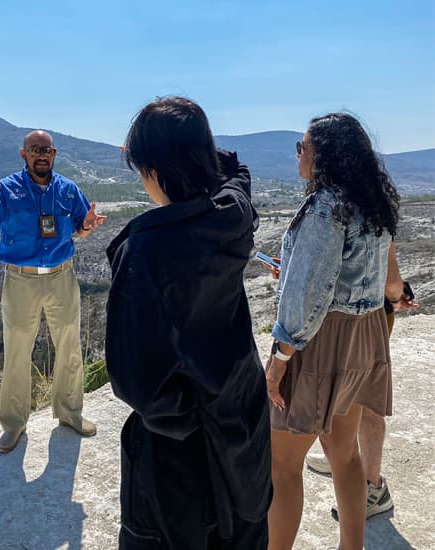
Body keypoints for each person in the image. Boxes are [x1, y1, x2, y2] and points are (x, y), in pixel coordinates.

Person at [105, 96, 272, 549]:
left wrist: (183, 419)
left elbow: (132, 379)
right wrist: (191, 143)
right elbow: (238, 174)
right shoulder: (232, 216)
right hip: (243, 419)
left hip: (179, 455)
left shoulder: (146, 251)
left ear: (154, 169)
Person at [265, 113, 400, 550]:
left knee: (283, 466)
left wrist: (280, 357)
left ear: (325, 155)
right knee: (346, 455)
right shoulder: (372, 202)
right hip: (364, 335)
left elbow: (308, 299)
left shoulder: (327, 206)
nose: (299, 155)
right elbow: (356, 277)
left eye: (302, 147)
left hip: (322, 343)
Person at [0, 130, 106, 453]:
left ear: (54, 154)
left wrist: (87, 226)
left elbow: (81, 229)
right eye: (34, 149)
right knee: (17, 351)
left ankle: (70, 413)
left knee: (70, 346)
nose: (41, 154)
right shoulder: (7, 191)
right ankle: (14, 425)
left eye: (46, 149)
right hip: (21, 280)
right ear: (23, 154)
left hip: (61, 276)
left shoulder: (68, 190)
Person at [305, 242, 418, 521]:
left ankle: (373, 485)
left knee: (365, 399)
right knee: (351, 393)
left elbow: (391, 283)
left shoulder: (350, 204)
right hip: (359, 315)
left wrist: (393, 295)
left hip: (365, 317)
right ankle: (346, 460)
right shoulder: (369, 204)